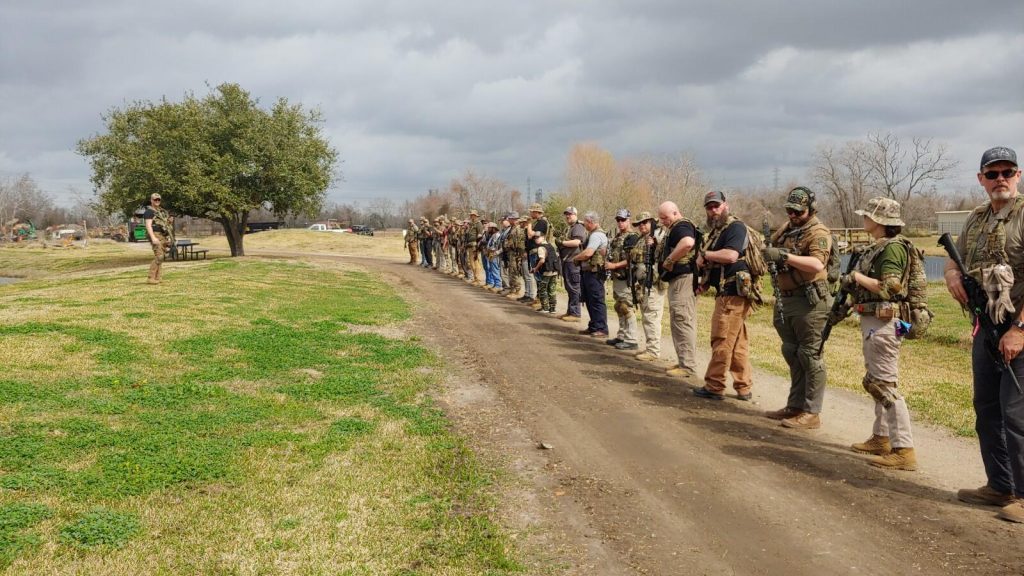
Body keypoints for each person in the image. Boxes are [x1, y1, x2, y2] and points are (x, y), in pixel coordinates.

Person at [947, 147, 1024, 522]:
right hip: (986, 328)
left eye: (1007, 172)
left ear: (1018, 174)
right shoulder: (976, 218)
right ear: (981, 179)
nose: (1000, 180)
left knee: (1017, 412)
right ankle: (1000, 486)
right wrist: (949, 274)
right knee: (988, 408)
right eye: (992, 174)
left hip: (1018, 329)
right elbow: (954, 256)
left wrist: (1019, 330)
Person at [842, 196, 918, 470]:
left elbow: (890, 289)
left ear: (879, 220)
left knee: (884, 385)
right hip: (876, 321)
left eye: (867, 216)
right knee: (879, 379)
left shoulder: (893, 249)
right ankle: (882, 437)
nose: (864, 220)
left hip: (885, 323)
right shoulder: (883, 246)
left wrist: (855, 277)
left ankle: (904, 449)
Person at [761, 187, 833, 430]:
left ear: (810, 209)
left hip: (810, 301)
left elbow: (816, 263)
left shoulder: (818, 232)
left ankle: (812, 412)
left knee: (810, 356)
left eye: (798, 211)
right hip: (787, 299)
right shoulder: (788, 228)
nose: (792, 215)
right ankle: (795, 405)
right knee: (791, 351)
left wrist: (784, 257)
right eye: (789, 210)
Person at [693, 191, 754, 401]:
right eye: (709, 207)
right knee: (736, 342)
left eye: (716, 206)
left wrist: (704, 255)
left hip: (732, 294)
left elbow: (731, 256)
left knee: (721, 338)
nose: (713, 210)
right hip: (727, 291)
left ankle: (715, 384)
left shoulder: (735, 227)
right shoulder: (717, 232)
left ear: (725, 205)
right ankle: (743, 386)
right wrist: (704, 284)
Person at [656, 201, 699, 378]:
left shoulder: (681, 226)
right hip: (679, 280)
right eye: (661, 218)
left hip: (684, 279)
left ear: (675, 213)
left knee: (682, 320)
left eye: (665, 218)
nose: (663, 222)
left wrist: (670, 259)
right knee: (679, 320)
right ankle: (683, 361)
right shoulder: (677, 227)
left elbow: (688, 243)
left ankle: (688, 366)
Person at [630, 211, 667, 361]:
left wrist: (656, 245)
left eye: (645, 222)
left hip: (655, 283)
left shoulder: (659, 235)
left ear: (652, 222)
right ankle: (650, 348)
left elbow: (666, 254)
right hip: (643, 283)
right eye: (639, 224)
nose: (642, 226)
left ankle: (653, 351)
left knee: (652, 316)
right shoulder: (641, 239)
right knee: (646, 316)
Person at [604, 208, 641, 350]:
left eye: (623, 220)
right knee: (619, 307)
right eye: (618, 220)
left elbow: (632, 259)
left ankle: (632, 339)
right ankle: (622, 335)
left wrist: (614, 265)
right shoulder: (618, 237)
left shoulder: (632, 237)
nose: (620, 223)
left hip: (627, 277)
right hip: (617, 276)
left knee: (626, 307)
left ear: (629, 220)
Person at [573, 211, 609, 337]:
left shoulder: (596, 235)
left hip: (595, 273)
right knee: (589, 300)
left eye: (586, 222)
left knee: (596, 300)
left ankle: (601, 328)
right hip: (589, 272)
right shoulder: (593, 234)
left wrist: (576, 258)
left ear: (590, 222)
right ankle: (594, 325)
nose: (585, 225)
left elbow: (588, 253)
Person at [558, 206, 587, 322]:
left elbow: (576, 242)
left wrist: (562, 242)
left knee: (574, 287)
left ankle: (575, 313)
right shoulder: (570, 228)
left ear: (575, 215)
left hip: (573, 262)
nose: (568, 216)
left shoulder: (578, 227)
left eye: (570, 214)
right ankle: (570, 311)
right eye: (566, 214)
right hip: (568, 261)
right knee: (569, 287)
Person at [521, 203, 548, 304]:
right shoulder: (537, 222)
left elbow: (530, 235)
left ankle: (541, 299)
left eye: (532, 211)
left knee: (538, 276)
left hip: (537, 251)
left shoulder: (541, 223)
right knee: (536, 276)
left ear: (537, 212)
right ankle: (538, 298)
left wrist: (528, 225)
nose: (530, 213)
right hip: (532, 251)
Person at [144, 192, 173, 285]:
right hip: (155, 234)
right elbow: (148, 226)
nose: (157, 201)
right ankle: (151, 277)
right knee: (159, 256)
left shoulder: (161, 212)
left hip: (163, 235)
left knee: (162, 256)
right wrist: (153, 238)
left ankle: (157, 277)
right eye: (155, 199)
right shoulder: (149, 212)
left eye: (158, 199)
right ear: (151, 200)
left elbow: (165, 224)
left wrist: (169, 222)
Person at [532, 231, 559, 314]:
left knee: (543, 289)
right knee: (552, 289)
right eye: (535, 238)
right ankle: (552, 309)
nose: (536, 239)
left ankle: (545, 307)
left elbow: (542, 260)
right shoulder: (551, 246)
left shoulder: (541, 248)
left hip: (546, 271)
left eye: (538, 237)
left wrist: (536, 269)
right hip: (554, 271)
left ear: (543, 237)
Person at [502, 212, 525, 297]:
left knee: (515, 271)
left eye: (511, 219)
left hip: (516, 253)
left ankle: (517, 290)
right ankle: (512, 289)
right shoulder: (511, 228)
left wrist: (519, 254)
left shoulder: (518, 228)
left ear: (515, 219)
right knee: (511, 271)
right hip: (510, 252)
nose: (509, 220)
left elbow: (519, 242)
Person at [465, 210, 484, 284]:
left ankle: (478, 278)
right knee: (471, 262)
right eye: (471, 215)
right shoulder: (471, 224)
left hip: (475, 244)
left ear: (476, 216)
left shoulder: (478, 224)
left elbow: (480, 235)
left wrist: (477, 245)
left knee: (475, 261)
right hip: (470, 244)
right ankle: (475, 278)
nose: (471, 216)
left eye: (472, 215)